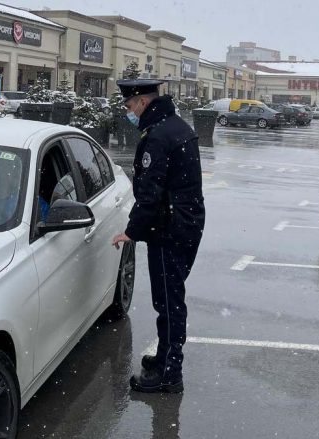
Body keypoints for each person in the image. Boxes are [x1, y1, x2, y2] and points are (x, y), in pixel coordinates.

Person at [111, 79, 206, 394]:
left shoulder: (160, 136)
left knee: (168, 301)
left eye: (129, 107)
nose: (128, 113)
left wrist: (131, 231)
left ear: (141, 102)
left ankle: (170, 373)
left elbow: (151, 193)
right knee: (169, 297)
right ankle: (165, 356)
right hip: (184, 224)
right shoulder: (175, 126)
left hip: (170, 229)